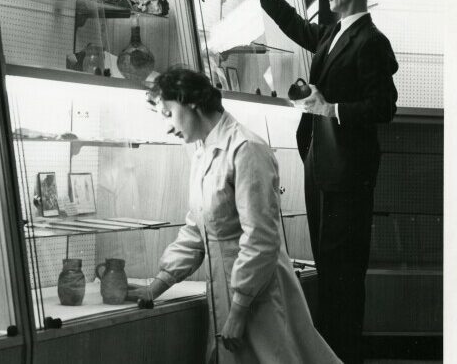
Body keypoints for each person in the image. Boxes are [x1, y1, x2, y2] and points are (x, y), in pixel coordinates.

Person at [128, 68, 340, 364]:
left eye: (167, 113)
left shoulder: (246, 148)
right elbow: (197, 230)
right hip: (230, 292)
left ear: (190, 102)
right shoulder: (204, 151)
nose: (166, 126)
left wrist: (239, 311)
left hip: (259, 295)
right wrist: (157, 285)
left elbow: (261, 239)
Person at [253, 0, 398, 363]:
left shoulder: (372, 41)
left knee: (344, 278)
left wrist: (331, 108)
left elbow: (384, 106)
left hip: (349, 176)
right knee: (330, 272)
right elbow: (299, 27)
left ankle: (344, 357)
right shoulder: (334, 33)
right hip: (321, 168)